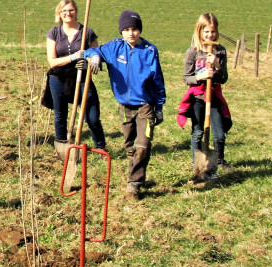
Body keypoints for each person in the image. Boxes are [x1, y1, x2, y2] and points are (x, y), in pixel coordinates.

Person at [85, 10, 165, 200]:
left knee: (143, 144)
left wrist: (159, 106)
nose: (131, 33)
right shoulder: (114, 48)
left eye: (135, 29)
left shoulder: (149, 51)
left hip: (145, 105)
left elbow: (158, 80)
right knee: (130, 145)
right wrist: (94, 57)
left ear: (140, 30)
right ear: (121, 31)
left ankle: (133, 183)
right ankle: (137, 176)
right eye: (127, 29)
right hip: (125, 106)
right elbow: (92, 50)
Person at [43, 0, 105, 149]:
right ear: (59, 13)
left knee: (92, 117)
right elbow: (52, 61)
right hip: (58, 78)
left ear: (76, 12)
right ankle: (62, 148)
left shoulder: (87, 32)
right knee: (60, 116)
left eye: (71, 10)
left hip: (81, 78)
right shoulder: (54, 33)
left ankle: (100, 146)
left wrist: (89, 63)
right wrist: (73, 57)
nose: (67, 13)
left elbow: (97, 55)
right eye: (64, 11)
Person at [178, 13, 233, 179]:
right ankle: (198, 163)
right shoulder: (193, 51)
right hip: (198, 98)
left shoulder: (220, 51)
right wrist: (200, 77)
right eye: (206, 32)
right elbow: (186, 77)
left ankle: (219, 161)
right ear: (200, 31)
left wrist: (216, 65)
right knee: (198, 132)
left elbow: (224, 78)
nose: (210, 35)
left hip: (214, 97)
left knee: (220, 134)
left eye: (213, 32)